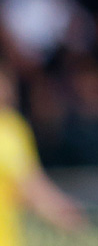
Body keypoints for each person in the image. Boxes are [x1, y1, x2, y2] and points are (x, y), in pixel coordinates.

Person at [0, 68, 88, 245]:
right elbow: (30, 187)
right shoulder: (8, 133)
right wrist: (62, 212)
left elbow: (28, 181)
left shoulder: (11, 127)